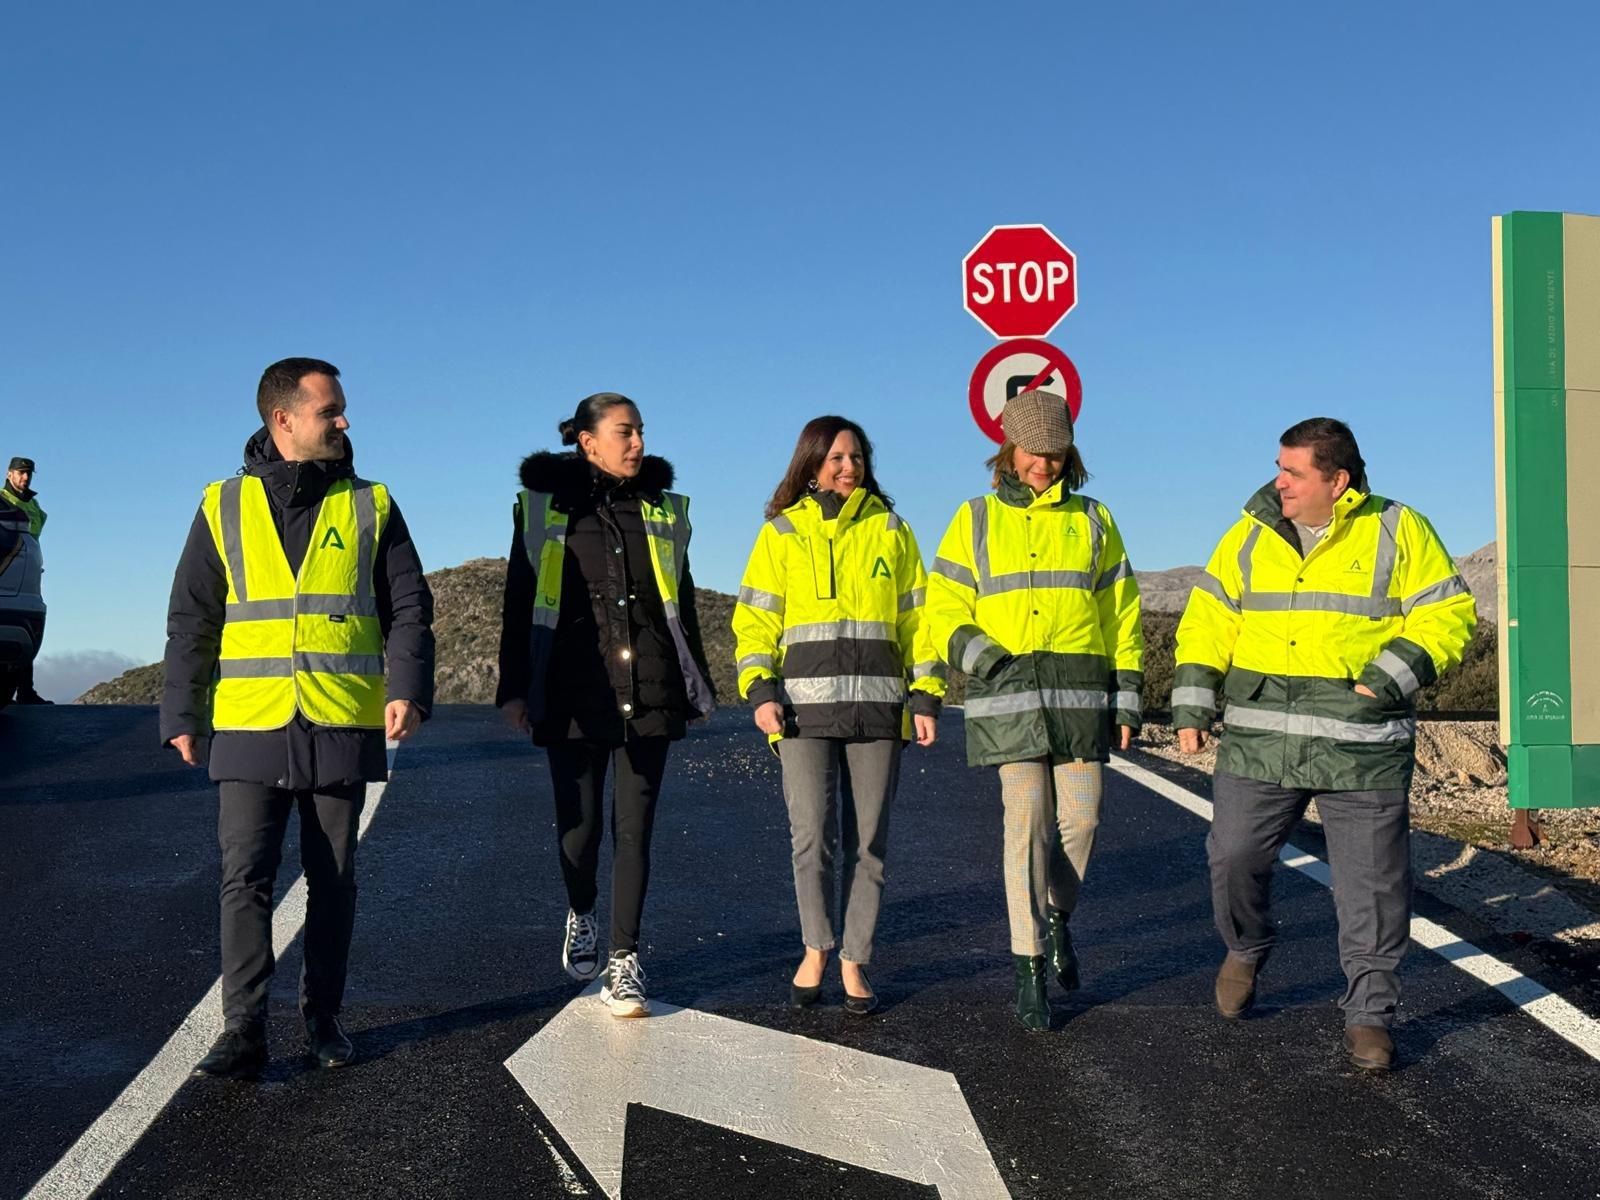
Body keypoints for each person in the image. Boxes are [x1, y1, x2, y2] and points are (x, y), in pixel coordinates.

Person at [1172, 417, 1475, 1071]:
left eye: (1294, 472)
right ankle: (1247, 946)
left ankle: (1369, 1014)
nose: (1278, 481)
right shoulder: (1251, 532)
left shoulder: (1400, 529)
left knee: (1372, 887)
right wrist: (1193, 701)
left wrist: (1387, 677)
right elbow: (1209, 616)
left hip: (1361, 741)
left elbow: (1448, 612)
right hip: (1261, 739)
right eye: (1279, 467)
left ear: (1337, 481)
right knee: (1232, 855)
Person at [161, 357, 435, 1078]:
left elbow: (410, 605)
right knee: (243, 878)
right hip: (250, 725)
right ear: (283, 420)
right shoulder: (222, 504)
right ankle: (243, 1031)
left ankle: (324, 1020)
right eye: (330, 410)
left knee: (334, 879)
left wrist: (406, 685)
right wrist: (181, 712)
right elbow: (192, 617)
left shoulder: (371, 503)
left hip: (339, 721)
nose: (344, 421)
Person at [925, 390, 1143, 1031]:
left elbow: (1122, 613)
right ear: (1008, 451)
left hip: (1078, 699)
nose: (1043, 464)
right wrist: (984, 658)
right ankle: (1027, 968)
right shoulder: (975, 519)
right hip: (1009, 697)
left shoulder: (1095, 519)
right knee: (1024, 831)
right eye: (1032, 451)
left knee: (1082, 822)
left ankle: (1057, 919)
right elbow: (944, 607)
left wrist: (1126, 695)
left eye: (1055, 452)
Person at [497, 392, 715, 1018]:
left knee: (635, 829)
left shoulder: (662, 511)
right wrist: (514, 688)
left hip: (649, 686)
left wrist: (693, 682)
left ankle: (625, 959)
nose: (638, 443)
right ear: (588, 441)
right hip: (571, 690)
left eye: (642, 431)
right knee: (582, 827)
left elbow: (684, 602)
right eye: (625, 432)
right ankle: (582, 911)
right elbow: (519, 601)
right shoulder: (542, 510)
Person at [732, 416, 943, 1015]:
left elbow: (918, 621)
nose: (847, 467)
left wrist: (925, 695)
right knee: (811, 840)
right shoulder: (781, 534)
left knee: (869, 843)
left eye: (856, 457)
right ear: (811, 463)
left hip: (879, 711)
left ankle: (855, 959)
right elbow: (754, 621)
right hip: (801, 715)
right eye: (835, 458)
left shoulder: (892, 531)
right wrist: (760, 690)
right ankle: (816, 949)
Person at [2, 455, 52, 704]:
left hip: (27, 568)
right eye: (20, 473)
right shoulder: (4, 501)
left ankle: (25, 690)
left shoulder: (33, 505)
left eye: (28, 474)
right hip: (8, 567)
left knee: (26, 625)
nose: (25, 478)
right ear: (9, 474)